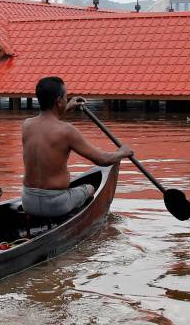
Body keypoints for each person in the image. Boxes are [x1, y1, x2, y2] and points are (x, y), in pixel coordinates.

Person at [21, 76, 133, 218]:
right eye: (66, 97)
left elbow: (48, 124)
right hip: (55, 204)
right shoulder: (67, 131)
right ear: (58, 101)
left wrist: (67, 107)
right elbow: (102, 160)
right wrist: (122, 152)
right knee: (90, 189)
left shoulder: (27, 125)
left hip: (28, 201)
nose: (67, 99)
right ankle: (79, 223)